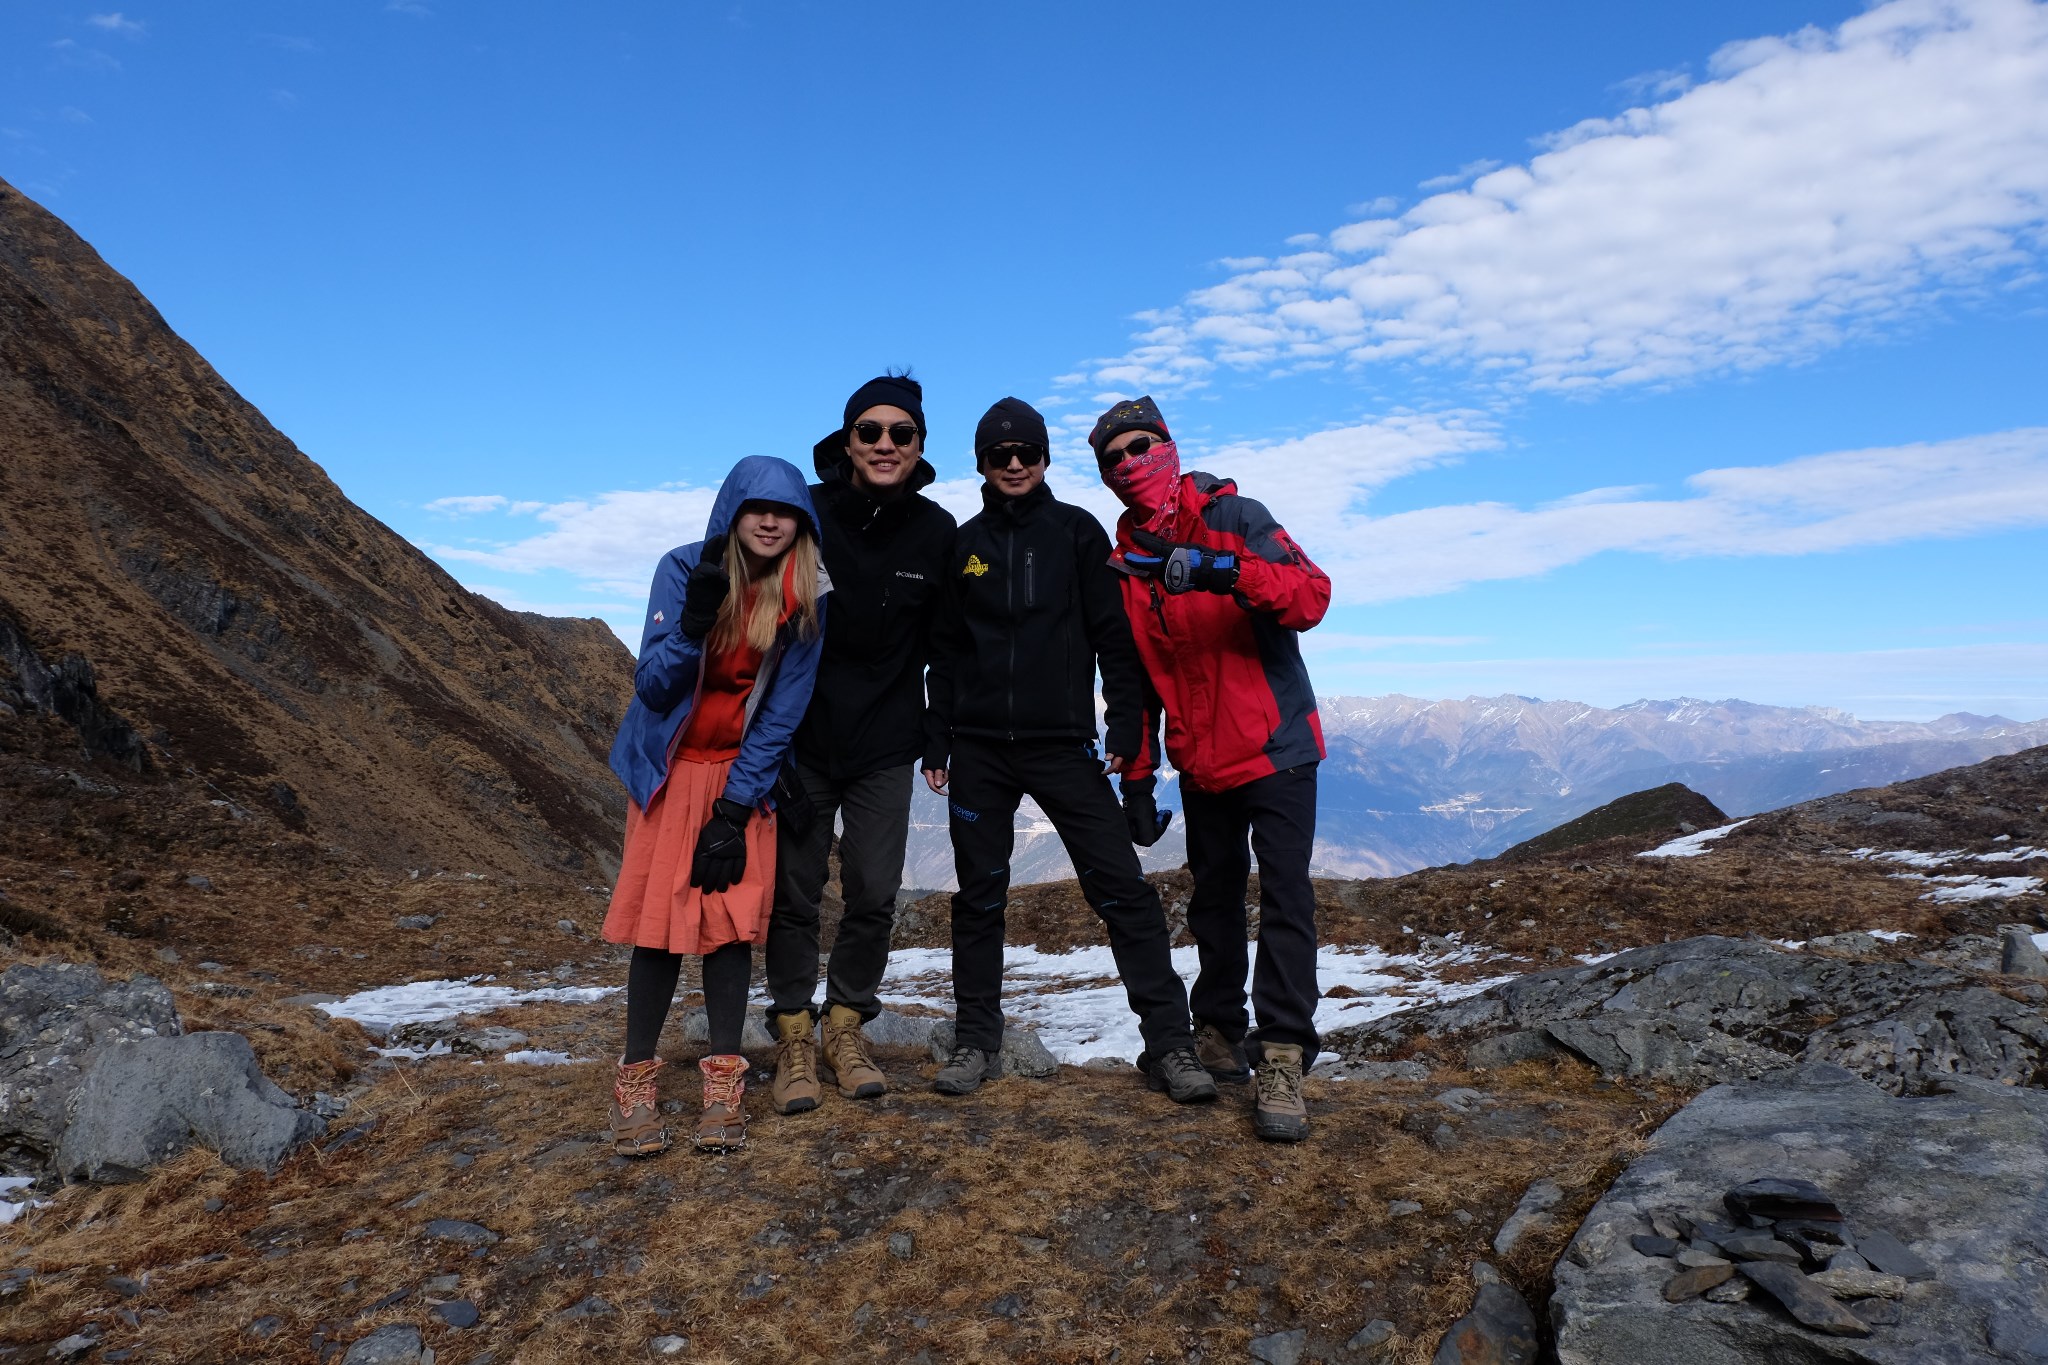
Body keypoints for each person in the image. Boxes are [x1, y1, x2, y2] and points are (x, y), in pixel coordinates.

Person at [921, 396, 1216, 1104]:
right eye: (1000, 455)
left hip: (1064, 745)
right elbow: (946, 655)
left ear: (1045, 458)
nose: (1015, 463)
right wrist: (938, 738)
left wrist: (1125, 729)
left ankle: (1172, 1046)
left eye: (1027, 452)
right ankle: (975, 1041)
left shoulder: (1079, 535)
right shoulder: (963, 547)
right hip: (980, 752)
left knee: (1122, 890)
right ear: (983, 465)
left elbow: (1116, 644)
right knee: (979, 899)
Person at [1089, 395, 1331, 1142]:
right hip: (1201, 759)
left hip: (1277, 748)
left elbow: (1310, 596)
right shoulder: (1126, 563)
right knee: (1215, 899)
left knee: (1286, 898)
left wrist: (1228, 571)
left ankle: (1284, 1053)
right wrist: (1135, 773)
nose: (1130, 464)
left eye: (1140, 447)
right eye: (1113, 458)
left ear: (1167, 445)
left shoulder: (1236, 517)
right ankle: (1220, 1030)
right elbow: (1130, 682)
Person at [602, 455, 828, 1156]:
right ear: (732, 513)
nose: (769, 520)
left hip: (741, 776)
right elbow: (655, 687)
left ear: (801, 524)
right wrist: (694, 624)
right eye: (755, 507)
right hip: (671, 773)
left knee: (728, 925)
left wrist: (733, 810)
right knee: (659, 924)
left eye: (784, 511)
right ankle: (634, 1083)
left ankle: (722, 1083)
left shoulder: (809, 595)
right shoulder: (681, 569)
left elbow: (781, 715)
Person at [762, 374, 957, 1115]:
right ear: (846, 442)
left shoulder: (937, 533)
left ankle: (845, 1025)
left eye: (900, 434)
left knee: (875, 890)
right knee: (794, 893)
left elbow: (946, 647)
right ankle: (792, 1037)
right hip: (802, 741)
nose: (884, 444)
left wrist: (937, 733)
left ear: (918, 447)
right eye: (869, 431)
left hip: (885, 744)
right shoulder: (805, 513)